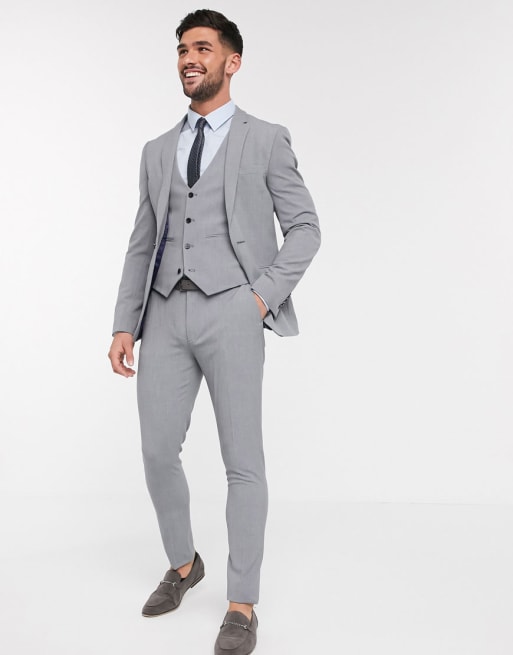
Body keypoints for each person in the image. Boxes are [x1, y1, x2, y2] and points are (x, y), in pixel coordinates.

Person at [108, 9, 320, 654]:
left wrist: (259, 298)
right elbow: (142, 242)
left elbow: (306, 228)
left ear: (232, 61)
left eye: (202, 48)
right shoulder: (155, 151)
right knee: (156, 451)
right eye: (181, 50)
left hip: (233, 309)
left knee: (242, 462)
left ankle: (241, 603)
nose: (188, 59)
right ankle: (183, 564)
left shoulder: (267, 139)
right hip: (163, 313)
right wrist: (124, 323)